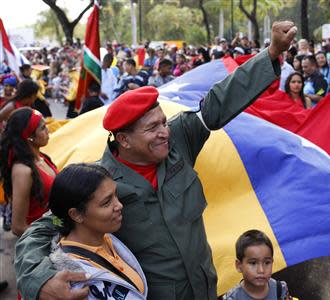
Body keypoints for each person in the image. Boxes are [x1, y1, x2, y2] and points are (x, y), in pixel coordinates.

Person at [14, 21, 297, 300]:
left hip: (204, 289)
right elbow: (39, 230)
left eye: (163, 122)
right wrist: (39, 281)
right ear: (123, 140)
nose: (165, 133)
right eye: (152, 128)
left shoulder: (179, 141)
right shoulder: (99, 186)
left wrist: (271, 52)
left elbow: (218, 103)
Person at [48, 163, 147, 299]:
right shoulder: (74, 282)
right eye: (106, 202)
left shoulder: (105, 236)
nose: (119, 205)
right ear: (76, 215)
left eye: (116, 195)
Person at [0, 108, 57, 237]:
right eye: (43, 128)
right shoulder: (23, 171)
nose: (48, 130)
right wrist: (54, 234)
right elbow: (18, 227)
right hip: (41, 241)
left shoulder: (43, 158)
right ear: (30, 137)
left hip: (54, 224)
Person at [222, 230, 291, 300]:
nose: (261, 270)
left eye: (267, 262)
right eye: (253, 263)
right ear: (239, 265)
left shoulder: (279, 289)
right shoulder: (232, 298)